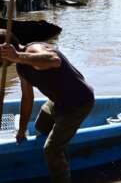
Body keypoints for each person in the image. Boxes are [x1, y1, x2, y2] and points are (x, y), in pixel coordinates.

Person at [0, 29, 94, 183]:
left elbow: (54, 60)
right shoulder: (21, 67)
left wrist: (17, 56)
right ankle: (62, 151)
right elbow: (27, 98)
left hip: (78, 102)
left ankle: (60, 168)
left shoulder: (33, 49)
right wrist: (22, 129)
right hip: (58, 101)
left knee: (51, 150)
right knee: (41, 126)